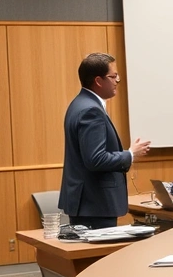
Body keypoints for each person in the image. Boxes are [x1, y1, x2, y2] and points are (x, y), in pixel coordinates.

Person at [60, 53, 151, 228]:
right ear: (98, 81)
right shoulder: (90, 111)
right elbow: (96, 159)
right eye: (113, 76)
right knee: (99, 255)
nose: (118, 80)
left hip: (88, 203)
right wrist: (130, 154)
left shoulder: (79, 104)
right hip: (95, 204)